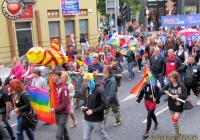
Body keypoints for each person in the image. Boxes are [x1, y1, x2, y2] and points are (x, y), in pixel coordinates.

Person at [81, 73, 109, 140]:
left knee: (103, 136)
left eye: (86, 81)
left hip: (97, 120)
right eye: (84, 81)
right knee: (85, 138)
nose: (84, 83)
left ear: (91, 80)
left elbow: (105, 105)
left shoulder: (99, 90)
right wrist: (83, 106)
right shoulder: (85, 90)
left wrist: (92, 111)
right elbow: (85, 101)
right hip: (86, 119)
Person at [160, 71, 188, 136]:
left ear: (176, 78)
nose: (171, 79)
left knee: (175, 121)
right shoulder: (169, 85)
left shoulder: (181, 85)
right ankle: (177, 133)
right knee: (174, 122)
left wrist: (177, 96)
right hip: (171, 106)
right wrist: (164, 91)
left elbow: (185, 95)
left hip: (179, 106)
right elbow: (160, 91)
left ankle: (177, 134)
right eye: (170, 78)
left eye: (173, 78)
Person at [136, 74, 160, 139]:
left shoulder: (154, 86)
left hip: (152, 102)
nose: (147, 80)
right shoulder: (144, 86)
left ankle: (146, 132)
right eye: (146, 79)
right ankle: (156, 122)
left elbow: (159, 93)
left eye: (149, 79)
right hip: (146, 102)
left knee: (149, 116)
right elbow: (141, 94)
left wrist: (156, 98)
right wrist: (138, 101)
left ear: (151, 79)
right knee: (152, 115)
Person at [49, 70, 71, 140]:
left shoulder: (64, 88)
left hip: (63, 113)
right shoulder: (56, 86)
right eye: (53, 75)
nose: (53, 77)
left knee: (58, 135)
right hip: (58, 112)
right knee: (64, 131)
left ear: (59, 77)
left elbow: (65, 104)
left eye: (55, 75)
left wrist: (54, 109)